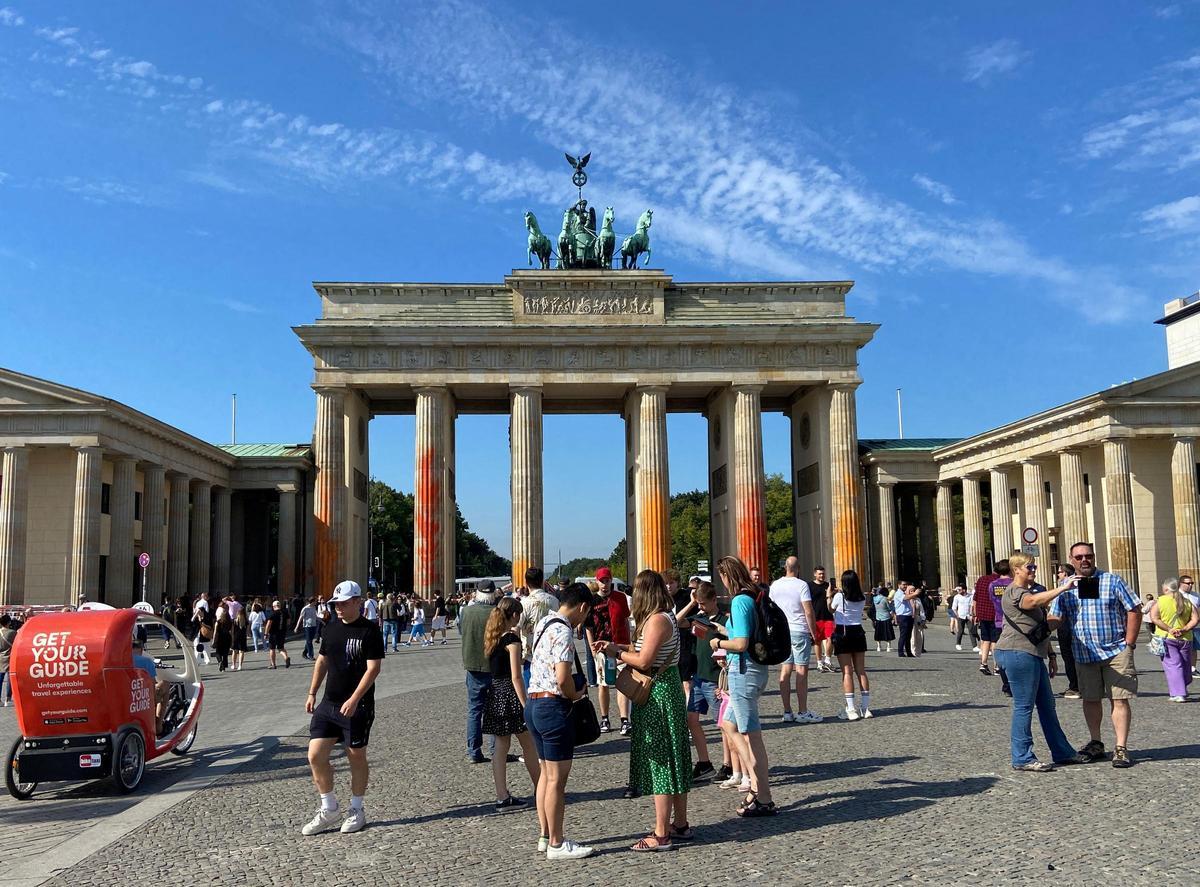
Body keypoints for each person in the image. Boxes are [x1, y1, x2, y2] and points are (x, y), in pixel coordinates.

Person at [595, 569, 693, 851]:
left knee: (660, 761)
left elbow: (644, 658)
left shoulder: (656, 620)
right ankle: (681, 824)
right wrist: (618, 645)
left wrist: (616, 653)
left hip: (657, 693)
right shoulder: (665, 617)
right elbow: (645, 649)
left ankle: (661, 834)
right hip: (667, 687)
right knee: (674, 757)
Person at [1047, 542, 1141, 768]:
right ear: (1071, 560)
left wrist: (1130, 642)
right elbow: (1056, 618)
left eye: (1088, 556)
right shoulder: (1065, 586)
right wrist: (1032, 626)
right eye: (1078, 557)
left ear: (1094, 557)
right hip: (1083, 652)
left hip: (1116, 650)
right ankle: (1096, 742)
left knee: (1119, 698)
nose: (1084, 560)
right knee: (1090, 698)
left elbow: (1134, 608)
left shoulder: (1113, 580)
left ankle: (1120, 747)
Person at [301, 580, 384, 835]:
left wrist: (355, 698)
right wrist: (312, 692)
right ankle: (329, 808)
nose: (339, 608)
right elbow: (322, 661)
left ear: (357, 602)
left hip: (356, 705)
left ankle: (357, 808)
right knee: (315, 755)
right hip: (329, 703)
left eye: (344, 603)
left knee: (355, 756)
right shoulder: (331, 628)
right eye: (336, 603)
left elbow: (373, 669)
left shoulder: (370, 631)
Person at [986, 554, 1080, 771]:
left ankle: (1062, 752)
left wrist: (1052, 654)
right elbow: (1032, 602)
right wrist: (1063, 588)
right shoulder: (1014, 592)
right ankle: (1022, 757)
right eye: (1029, 566)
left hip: (1032, 653)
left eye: (1034, 566)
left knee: (1048, 705)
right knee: (1023, 706)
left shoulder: (1027, 591)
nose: (1034, 569)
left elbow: (1042, 627)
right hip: (1016, 653)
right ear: (1016, 569)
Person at [526, 582, 595, 860]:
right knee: (557, 780)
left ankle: (545, 834)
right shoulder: (564, 631)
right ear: (582, 607)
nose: (584, 620)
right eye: (586, 614)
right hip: (554, 706)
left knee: (545, 775)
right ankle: (556, 842)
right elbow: (563, 677)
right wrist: (576, 695)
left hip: (533, 703)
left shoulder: (544, 621)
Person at [709, 556, 776, 817]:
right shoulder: (755, 595)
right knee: (728, 724)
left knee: (752, 736)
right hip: (754, 670)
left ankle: (763, 795)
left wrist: (718, 643)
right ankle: (755, 785)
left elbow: (741, 644)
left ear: (728, 576)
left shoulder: (739, 601)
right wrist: (723, 631)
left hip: (743, 671)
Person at [483, 596, 540, 811]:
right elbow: (517, 676)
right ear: (515, 615)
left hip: (495, 693)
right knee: (529, 745)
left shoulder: (492, 637)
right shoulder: (511, 641)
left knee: (500, 747)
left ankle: (502, 796)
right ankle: (540, 787)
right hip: (510, 694)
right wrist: (525, 703)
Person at [675, 580, 725, 782]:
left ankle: (728, 764)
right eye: (699, 604)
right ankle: (704, 763)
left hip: (714, 678)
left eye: (703, 603)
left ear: (714, 600)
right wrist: (692, 604)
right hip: (698, 677)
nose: (701, 607)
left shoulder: (722, 620)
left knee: (723, 725)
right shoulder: (699, 618)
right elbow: (677, 621)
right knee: (691, 719)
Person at [769, 556, 822, 724]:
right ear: (798, 568)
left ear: (785, 567)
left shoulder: (775, 585)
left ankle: (787, 711)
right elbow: (808, 611)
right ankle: (802, 711)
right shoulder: (801, 585)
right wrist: (814, 632)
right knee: (801, 671)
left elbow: (770, 609)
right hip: (799, 629)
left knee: (785, 671)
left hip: (782, 632)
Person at [585, 567, 633, 738]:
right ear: (596, 582)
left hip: (620, 645)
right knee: (603, 683)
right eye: (601, 581)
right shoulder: (592, 601)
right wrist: (591, 648)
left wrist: (630, 642)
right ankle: (604, 718)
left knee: (623, 682)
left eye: (607, 581)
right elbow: (588, 627)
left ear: (611, 581)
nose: (604, 584)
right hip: (600, 647)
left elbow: (626, 621)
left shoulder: (620, 598)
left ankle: (624, 719)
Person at [461, 584, 497, 764]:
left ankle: (473, 751)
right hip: (494, 667)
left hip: (473, 666)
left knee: (474, 710)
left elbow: (461, 631)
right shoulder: (497, 612)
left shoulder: (466, 612)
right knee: (495, 710)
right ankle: (496, 750)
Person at [1148, 578, 1197, 702]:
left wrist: (1169, 629)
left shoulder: (1161, 601)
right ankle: (1183, 685)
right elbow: (1195, 619)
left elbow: (1154, 617)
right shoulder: (1187, 602)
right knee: (1185, 664)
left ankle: (1179, 693)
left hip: (1166, 637)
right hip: (1186, 638)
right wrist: (1185, 629)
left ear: (1166, 589)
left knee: (1173, 665)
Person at [832, 570, 872, 720]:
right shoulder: (861, 597)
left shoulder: (839, 596)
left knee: (847, 672)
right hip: (858, 632)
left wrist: (830, 595)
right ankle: (865, 708)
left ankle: (851, 708)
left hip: (843, 632)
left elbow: (831, 609)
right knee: (861, 671)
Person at [518, 567, 559, 688]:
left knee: (531, 692)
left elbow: (516, 627)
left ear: (526, 583)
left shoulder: (525, 603)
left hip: (531, 654)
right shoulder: (554, 601)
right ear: (542, 581)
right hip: (550, 652)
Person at [1055, 565, 1080, 698]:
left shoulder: (1065, 585)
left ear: (1065, 573)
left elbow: (1056, 611)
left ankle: (1075, 687)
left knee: (1069, 658)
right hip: (1080, 627)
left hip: (1066, 626)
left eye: (1059, 572)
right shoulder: (1085, 581)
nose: (1058, 575)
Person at [973, 565, 1002, 674]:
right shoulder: (999, 581)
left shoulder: (982, 579)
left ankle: (983, 663)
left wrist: (975, 613)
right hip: (995, 614)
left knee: (985, 640)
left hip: (983, 614)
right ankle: (996, 666)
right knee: (995, 641)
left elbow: (975, 597)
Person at [810, 566, 836, 673]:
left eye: (823, 574)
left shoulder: (828, 585)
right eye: (820, 574)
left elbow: (832, 599)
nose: (822, 575)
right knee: (817, 641)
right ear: (815, 574)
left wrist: (833, 593)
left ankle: (828, 660)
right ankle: (819, 663)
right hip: (816, 617)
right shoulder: (809, 586)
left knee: (831, 638)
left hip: (828, 616)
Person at [892, 581, 919, 658]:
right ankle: (900, 652)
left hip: (908, 616)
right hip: (903, 616)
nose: (905, 586)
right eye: (903, 585)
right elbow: (906, 598)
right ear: (899, 585)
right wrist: (915, 593)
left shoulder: (904, 593)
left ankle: (909, 652)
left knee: (908, 635)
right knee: (903, 635)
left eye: (906, 585)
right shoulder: (898, 593)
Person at [1180, 575, 1200, 677]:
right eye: (1188, 583)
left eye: (1192, 583)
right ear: (1181, 584)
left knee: (1194, 647)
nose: (1191, 585)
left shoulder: (1196, 595)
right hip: (1180, 625)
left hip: (1195, 625)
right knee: (1181, 646)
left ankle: (1192, 668)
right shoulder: (1176, 595)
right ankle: (1182, 667)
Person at [265, 600, 292, 669]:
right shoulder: (285, 612)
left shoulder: (273, 614)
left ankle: (273, 664)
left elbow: (268, 624)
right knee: (281, 648)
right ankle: (286, 657)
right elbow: (289, 622)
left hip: (273, 633)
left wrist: (266, 633)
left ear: (274, 606)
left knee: (272, 649)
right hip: (282, 633)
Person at [951, 586, 977, 652]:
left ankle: (975, 646)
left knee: (972, 630)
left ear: (964, 590)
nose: (958, 591)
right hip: (960, 615)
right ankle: (958, 644)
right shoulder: (957, 597)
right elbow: (954, 607)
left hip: (968, 616)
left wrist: (971, 614)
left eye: (959, 589)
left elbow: (972, 605)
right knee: (961, 630)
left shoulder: (970, 596)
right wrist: (957, 615)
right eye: (957, 590)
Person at [296, 597, 320, 661]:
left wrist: (323, 622)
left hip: (313, 625)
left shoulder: (314, 608)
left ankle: (304, 653)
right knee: (309, 641)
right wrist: (296, 627)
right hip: (307, 626)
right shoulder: (305, 608)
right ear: (312, 602)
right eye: (315, 601)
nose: (316, 602)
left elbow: (316, 617)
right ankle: (311, 655)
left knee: (309, 641)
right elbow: (300, 618)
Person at [191, 591, 212, 666]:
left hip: (198, 630)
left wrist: (195, 616)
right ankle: (207, 659)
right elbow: (207, 611)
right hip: (203, 629)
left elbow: (195, 613)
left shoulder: (197, 603)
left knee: (197, 644)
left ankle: (198, 660)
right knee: (205, 645)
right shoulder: (205, 603)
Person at [0, 615, 17, 706]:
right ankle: (8, 699)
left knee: (0, 679)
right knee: (10, 679)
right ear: (9, 622)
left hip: (0, 658)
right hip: (10, 658)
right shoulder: (13, 632)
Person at [212, 606, 233, 672]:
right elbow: (232, 632)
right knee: (225, 653)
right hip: (227, 637)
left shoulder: (218, 622)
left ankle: (220, 662)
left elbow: (215, 632)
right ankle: (223, 666)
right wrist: (232, 641)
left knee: (218, 652)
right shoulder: (230, 622)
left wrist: (213, 641)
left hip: (220, 638)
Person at [231, 604, 248, 671]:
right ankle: (240, 665)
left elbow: (232, 630)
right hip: (243, 637)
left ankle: (233, 664)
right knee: (241, 652)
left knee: (234, 651)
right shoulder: (246, 620)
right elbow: (247, 630)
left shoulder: (234, 620)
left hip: (235, 637)